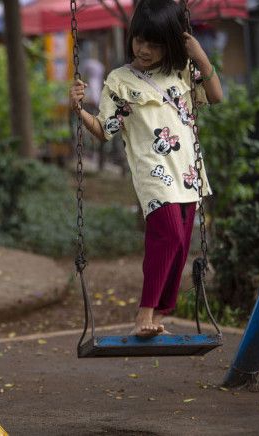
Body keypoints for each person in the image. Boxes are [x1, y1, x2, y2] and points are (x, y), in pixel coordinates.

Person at [69, 0, 223, 337]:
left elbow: (215, 96)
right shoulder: (120, 80)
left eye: (154, 43)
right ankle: (144, 314)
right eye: (140, 40)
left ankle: (158, 313)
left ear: (170, 43)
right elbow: (103, 131)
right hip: (153, 172)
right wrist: (79, 109)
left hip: (187, 172)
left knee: (181, 243)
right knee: (166, 233)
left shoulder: (181, 72)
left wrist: (200, 56)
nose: (145, 49)